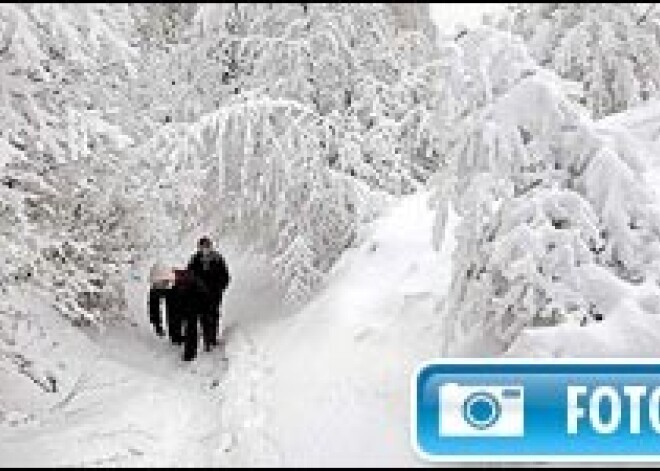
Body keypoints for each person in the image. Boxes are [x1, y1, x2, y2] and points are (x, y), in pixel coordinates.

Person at [149, 266, 212, 362]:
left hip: (194, 301)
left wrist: (207, 331)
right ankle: (177, 340)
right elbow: (154, 306)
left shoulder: (189, 280)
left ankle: (190, 355)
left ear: (168, 279)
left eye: (161, 284)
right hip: (174, 303)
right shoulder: (157, 287)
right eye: (156, 285)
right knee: (173, 324)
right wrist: (157, 325)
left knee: (191, 326)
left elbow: (205, 301)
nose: (158, 287)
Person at [187, 237, 230, 351]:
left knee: (214, 315)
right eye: (202, 246)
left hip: (214, 294)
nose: (205, 249)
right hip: (199, 295)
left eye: (207, 246)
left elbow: (225, 276)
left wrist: (219, 288)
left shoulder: (218, 259)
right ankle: (207, 340)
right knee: (203, 317)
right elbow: (189, 276)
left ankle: (213, 338)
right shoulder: (194, 259)